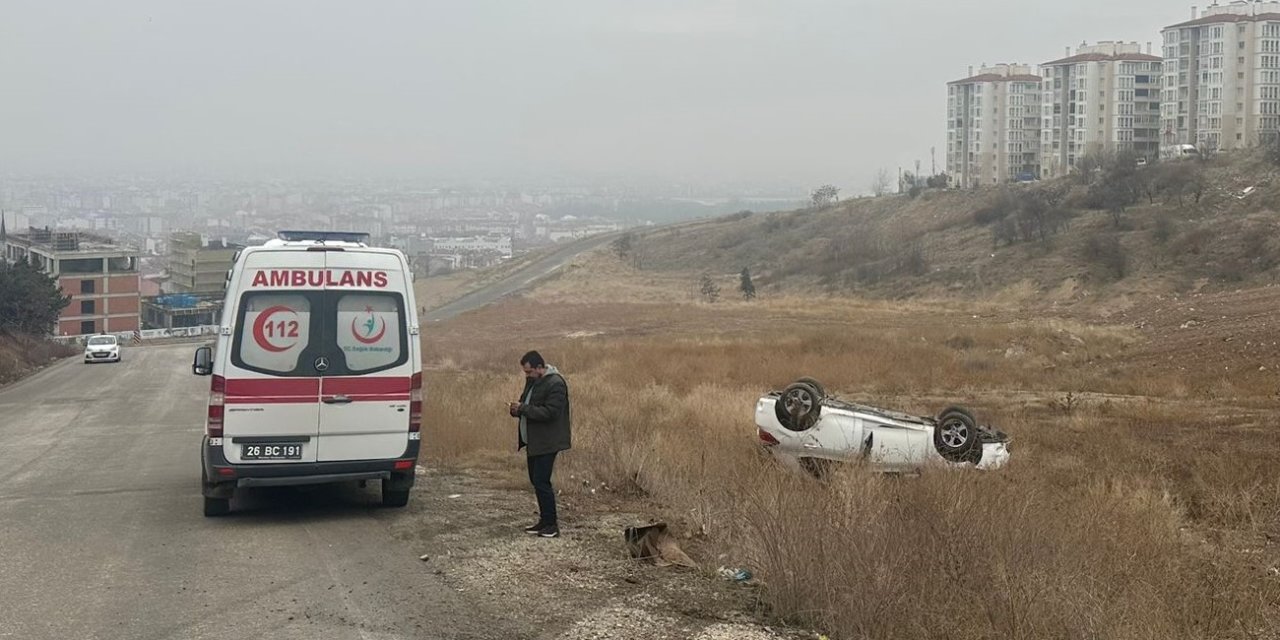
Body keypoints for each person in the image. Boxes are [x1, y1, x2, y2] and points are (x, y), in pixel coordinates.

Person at [509, 350, 571, 538]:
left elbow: (550, 412)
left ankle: (551, 525)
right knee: (536, 480)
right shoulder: (533, 382)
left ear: (539, 367)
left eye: (529, 372)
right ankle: (543, 522)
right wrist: (517, 410)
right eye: (525, 373)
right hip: (533, 441)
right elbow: (526, 404)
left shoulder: (556, 384)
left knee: (542, 481)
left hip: (547, 441)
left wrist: (524, 409)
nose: (527, 376)